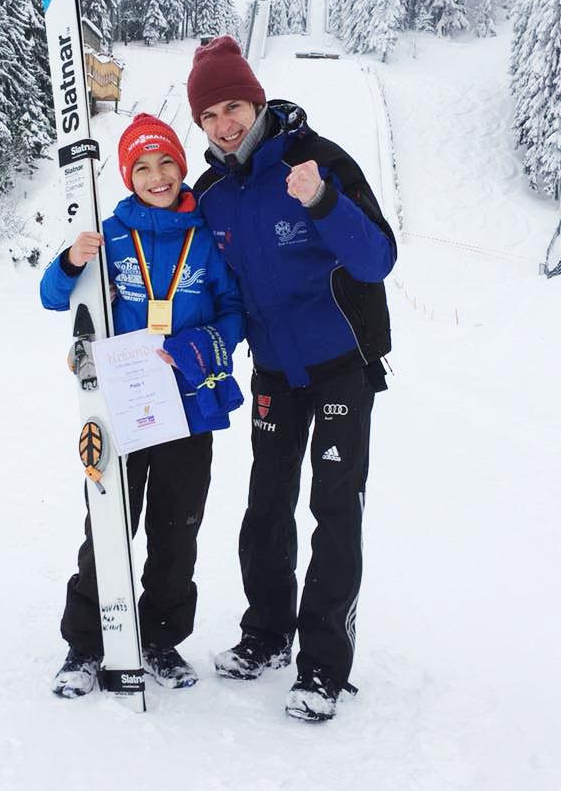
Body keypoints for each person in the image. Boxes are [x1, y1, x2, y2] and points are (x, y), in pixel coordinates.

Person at [187, 36, 397, 723]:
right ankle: (267, 635)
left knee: (334, 513)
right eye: (209, 115)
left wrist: (326, 202)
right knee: (266, 504)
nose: (224, 124)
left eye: (232, 106)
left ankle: (323, 668)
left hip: (341, 366)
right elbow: (202, 282)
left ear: (255, 100)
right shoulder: (212, 194)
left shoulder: (319, 160)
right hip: (274, 367)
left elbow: (377, 260)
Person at [40, 113, 244, 697]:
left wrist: (198, 347)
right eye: (142, 167)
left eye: (166, 163)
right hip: (120, 408)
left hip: (189, 409)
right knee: (106, 524)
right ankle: (85, 644)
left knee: (177, 531)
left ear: (183, 167)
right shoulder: (107, 236)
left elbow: (233, 313)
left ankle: (158, 639)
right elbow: (54, 297)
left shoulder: (207, 238)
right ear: (129, 176)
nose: (157, 176)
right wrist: (73, 261)